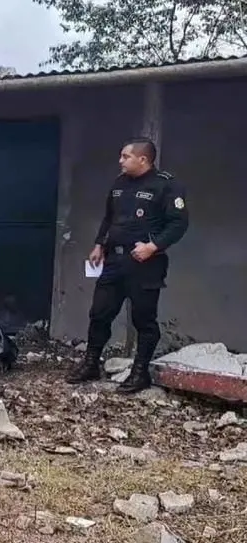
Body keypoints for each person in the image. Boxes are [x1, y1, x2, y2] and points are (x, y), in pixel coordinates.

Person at [65, 138, 189, 393]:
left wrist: (153, 246)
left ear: (142, 159)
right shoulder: (120, 183)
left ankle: (139, 373)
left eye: (125, 156)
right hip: (114, 261)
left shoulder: (166, 185)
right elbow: (109, 218)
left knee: (143, 319)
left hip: (145, 264)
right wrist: (99, 244)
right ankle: (91, 363)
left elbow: (179, 224)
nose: (120, 161)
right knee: (99, 313)